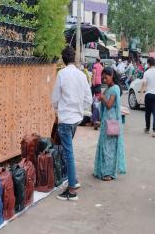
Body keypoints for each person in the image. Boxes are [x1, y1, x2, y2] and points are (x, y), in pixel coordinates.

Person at [52, 46, 92, 201]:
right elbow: (88, 99)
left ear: (63, 59)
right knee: (68, 152)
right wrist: (79, 109)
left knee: (68, 154)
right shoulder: (82, 75)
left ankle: (72, 190)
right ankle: (73, 180)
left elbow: (55, 98)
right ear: (74, 58)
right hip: (76, 119)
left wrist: (58, 110)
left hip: (66, 119)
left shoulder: (62, 74)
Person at [93, 67, 126, 181]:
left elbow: (109, 105)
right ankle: (102, 170)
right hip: (106, 121)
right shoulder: (109, 88)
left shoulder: (115, 88)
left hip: (112, 122)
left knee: (109, 149)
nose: (103, 78)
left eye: (105, 76)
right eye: (102, 77)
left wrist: (102, 97)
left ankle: (109, 173)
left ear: (111, 75)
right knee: (104, 146)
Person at [140, 58, 155, 137]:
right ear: (154, 63)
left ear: (148, 64)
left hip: (148, 95)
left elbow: (144, 84)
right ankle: (154, 131)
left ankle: (147, 128)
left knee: (147, 113)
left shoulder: (146, 72)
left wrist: (141, 94)